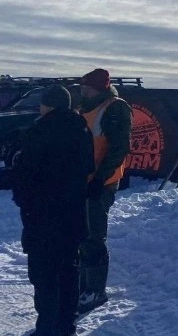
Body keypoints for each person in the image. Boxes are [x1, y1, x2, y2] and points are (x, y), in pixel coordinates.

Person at [11, 86, 94, 335]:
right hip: (73, 213)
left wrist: (23, 199)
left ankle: (46, 328)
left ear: (48, 105)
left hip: (42, 217)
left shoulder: (39, 130)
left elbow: (26, 176)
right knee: (69, 270)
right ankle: (66, 325)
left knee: (44, 274)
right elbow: (88, 167)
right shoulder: (82, 128)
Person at [76, 69, 132, 314]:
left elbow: (119, 148)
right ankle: (83, 284)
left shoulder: (114, 108)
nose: (81, 89)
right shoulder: (86, 107)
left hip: (101, 182)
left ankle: (95, 291)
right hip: (83, 181)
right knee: (81, 234)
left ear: (97, 88)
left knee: (93, 235)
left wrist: (100, 179)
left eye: (85, 86)